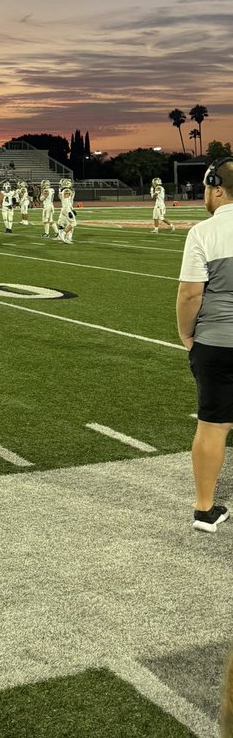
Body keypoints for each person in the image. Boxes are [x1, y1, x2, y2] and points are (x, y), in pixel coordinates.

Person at [176, 155, 233, 533]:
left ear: (216, 189)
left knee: (213, 425)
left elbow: (190, 295)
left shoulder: (204, 232)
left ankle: (205, 510)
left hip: (216, 342)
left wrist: (187, 335)